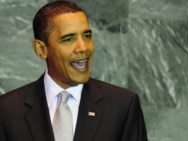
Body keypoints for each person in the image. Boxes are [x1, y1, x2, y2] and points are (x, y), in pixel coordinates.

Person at [0, 1, 148, 141]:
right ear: (41, 50)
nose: (83, 47)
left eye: (87, 36)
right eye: (68, 39)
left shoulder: (122, 105)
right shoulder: (7, 110)